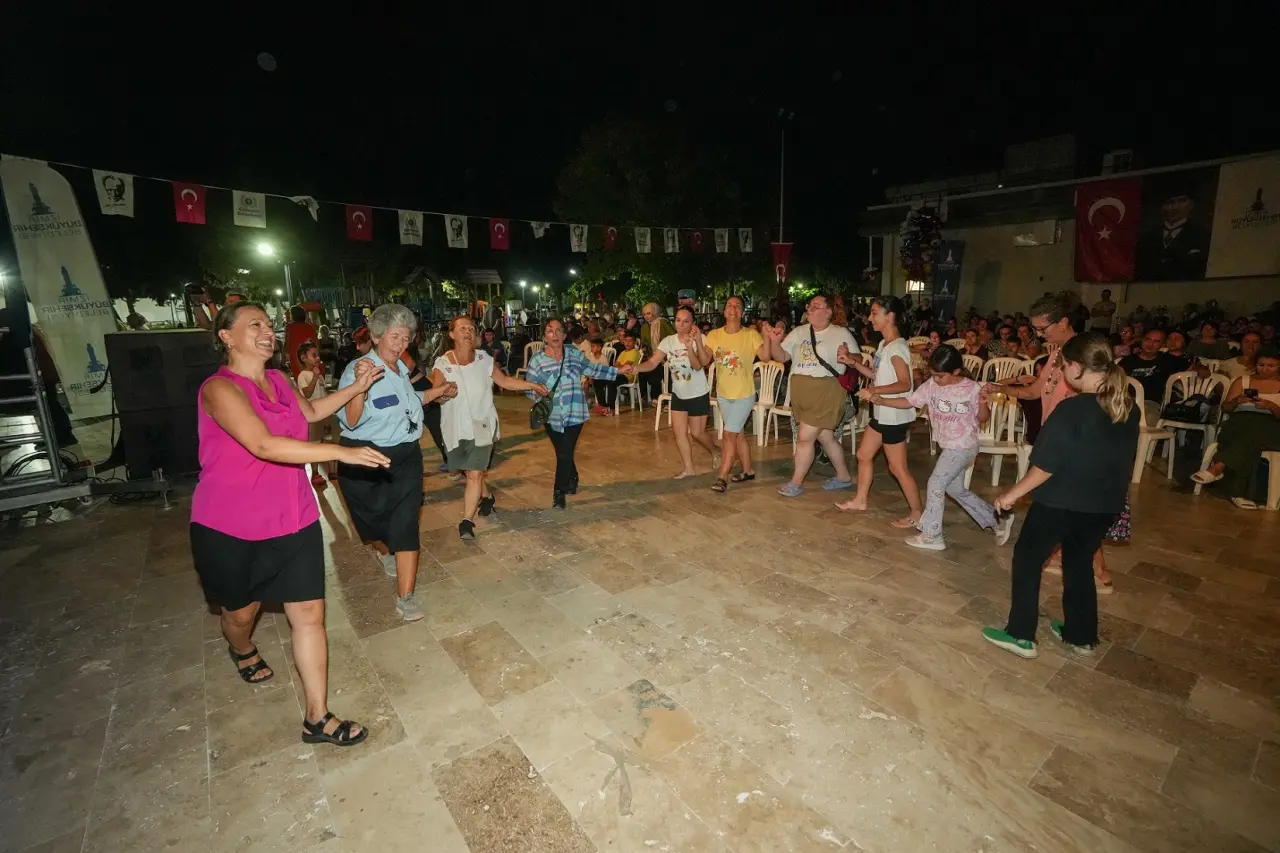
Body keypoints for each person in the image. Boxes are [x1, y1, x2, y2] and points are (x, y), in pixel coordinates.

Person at [192, 301, 391, 747]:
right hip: (232, 524)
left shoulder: (281, 379)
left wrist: (356, 387)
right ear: (225, 336)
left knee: (309, 615)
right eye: (254, 325)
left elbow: (311, 413)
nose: (268, 331)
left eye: (269, 324)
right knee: (241, 615)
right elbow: (264, 444)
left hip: (294, 514)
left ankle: (317, 717)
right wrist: (339, 452)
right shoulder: (219, 389)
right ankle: (242, 647)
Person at [982, 332, 1139, 660]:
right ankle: (1081, 635)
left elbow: (1045, 466)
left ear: (1077, 368)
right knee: (1079, 562)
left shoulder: (1072, 409)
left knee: (1028, 558)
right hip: (1104, 505)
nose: (1063, 372)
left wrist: (1011, 495)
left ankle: (1020, 634)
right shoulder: (1128, 406)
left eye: (1064, 365)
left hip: (1061, 502)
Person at [337, 305, 457, 621]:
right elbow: (351, 420)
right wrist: (360, 387)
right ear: (377, 336)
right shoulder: (358, 369)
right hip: (365, 459)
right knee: (371, 524)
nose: (401, 344)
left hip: (406, 456)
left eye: (406, 338)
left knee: (405, 524)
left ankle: (406, 597)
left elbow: (411, 402)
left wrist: (440, 391)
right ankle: (384, 549)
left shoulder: (401, 368)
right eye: (394, 337)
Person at [861, 345, 1013, 550]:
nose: (936, 379)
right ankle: (996, 517)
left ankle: (932, 535)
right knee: (954, 488)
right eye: (933, 374)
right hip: (949, 446)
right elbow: (910, 402)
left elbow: (983, 418)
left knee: (935, 484)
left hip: (963, 446)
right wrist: (882, 400)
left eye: (940, 376)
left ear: (956, 371)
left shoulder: (971, 388)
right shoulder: (931, 385)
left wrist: (983, 402)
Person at [431, 315, 546, 538]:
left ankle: (466, 521)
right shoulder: (442, 363)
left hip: (483, 424)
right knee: (468, 470)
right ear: (452, 334)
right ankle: (487, 497)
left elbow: (505, 381)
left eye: (471, 328)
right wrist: (445, 394)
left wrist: (531, 385)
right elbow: (437, 396)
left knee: (474, 473)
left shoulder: (484, 359)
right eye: (462, 328)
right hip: (455, 427)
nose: (468, 332)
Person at [834, 296, 922, 527]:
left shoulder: (897, 348)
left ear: (890, 316)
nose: (870, 318)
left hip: (894, 416)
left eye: (875, 313)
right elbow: (876, 375)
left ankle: (917, 513)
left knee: (897, 468)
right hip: (882, 413)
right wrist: (853, 363)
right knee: (864, 455)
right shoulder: (884, 345)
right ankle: (860, 500)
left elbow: (905, 383)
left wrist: (875, 391)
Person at [761, 292, 859, 497]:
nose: (810, 309)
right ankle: (843, 476)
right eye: (810, 306)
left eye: (815, 306)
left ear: (828, 311)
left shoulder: (840, 333)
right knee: (826, 437)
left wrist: (848, 355)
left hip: (826, 390)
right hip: (801, 391)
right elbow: (782, 357)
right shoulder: (799, 331)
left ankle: (796, 482)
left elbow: (857, 358)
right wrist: (775, 342)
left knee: (805, 438)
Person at [526, 318, 629, 508]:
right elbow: (528, 387)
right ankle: (572, 476)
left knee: (564, 453)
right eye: (550, 331)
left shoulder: (573, 353)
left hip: (575, 411)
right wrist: (538, 393)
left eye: (559, 330)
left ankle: (559, 491)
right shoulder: (537, 360)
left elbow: (592, 369)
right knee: (563, 451)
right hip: (552, 414)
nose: (555, 334)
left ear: (564, 335)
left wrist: (618, 371)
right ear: (544, 337)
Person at [634, 306, 718, 479]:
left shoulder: (700, 338)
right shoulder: (668, 341)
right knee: (679, 433)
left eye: (686, 321)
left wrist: (690, 347)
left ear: (692, 323)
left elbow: (698, 366)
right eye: (678, 320)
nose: (681, 324)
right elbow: (653, 362)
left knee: (697, 433)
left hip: (697, 393)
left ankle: (715, 450)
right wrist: (637, 368)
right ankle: (689, 468)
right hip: (678, 393)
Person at [1192, 346, 1280, 509]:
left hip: (1273, 428)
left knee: (1253, 426)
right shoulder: (1243, 381)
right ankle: (1239, 493)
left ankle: (1219, 466)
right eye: (1261, 365)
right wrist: (1237, 401)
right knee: (1249, 432)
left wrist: (1271, 406)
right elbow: (1225, 408)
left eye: (1271, 366)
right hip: (1240, 425)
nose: (1265, 369)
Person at [705, 295, 767, 492]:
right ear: (724, 311)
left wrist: (768, 336)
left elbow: (765, 356)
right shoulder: (714, 335)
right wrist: (693, 343)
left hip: (744, 394)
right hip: (723, 394)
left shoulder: (751, 335)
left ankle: (722, 477)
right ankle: (748, 470)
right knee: (738, 434)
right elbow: (703, 360)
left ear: (742, 312)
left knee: (729, 435)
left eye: (737, 306)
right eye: (729, 305)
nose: (733, 309)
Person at [1119, 330, 1184, 423]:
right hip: (1125, 401)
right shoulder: (1127, 361)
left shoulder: (1167, 360)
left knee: (1149, 417)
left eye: (1156, 341)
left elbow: (1194, 366)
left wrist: (1200, 369)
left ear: (1162, 345)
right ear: (1142, 340)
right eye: (1148, 339)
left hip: (1150, 403)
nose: (1150, 344)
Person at [296, 341, 336, 489]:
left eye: (318, 355)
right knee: (315, 443)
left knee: (328, 440)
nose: (318, 358)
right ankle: (315, 472)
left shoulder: (318, 375)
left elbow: (322, 392)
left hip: (325, 415)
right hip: (313, 416)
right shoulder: (303, 375)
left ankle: (332, 470)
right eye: (314, 355)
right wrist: (314, 377)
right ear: (303, 358)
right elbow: (307, 393)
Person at [639, 302, 675, 404]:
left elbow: (673, 337)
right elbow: (644, 344)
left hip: (667, 355)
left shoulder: (662, 322)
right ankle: (656, 398)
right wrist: (645, 350)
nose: (646, 316)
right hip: (653, 357)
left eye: (649, 313)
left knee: (666, 372)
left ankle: (668, 401)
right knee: (650, 371)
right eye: (644, 314)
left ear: (655, 312)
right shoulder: (644, 327)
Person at [284, 306, 318, 380]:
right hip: (308, 354)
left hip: (295, 354)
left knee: (299, 377)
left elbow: (287, 341)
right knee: (310, 376)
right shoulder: (310, 327)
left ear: (293, 316)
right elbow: (316, 343)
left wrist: (284, 354)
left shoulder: (290, 327)